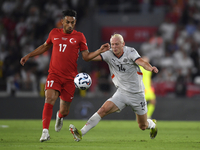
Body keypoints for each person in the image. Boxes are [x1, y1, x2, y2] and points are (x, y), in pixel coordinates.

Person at [20, 9, 110, 142]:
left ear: (75, 22)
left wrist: (99, 51)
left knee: (65, 111)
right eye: (67, 22)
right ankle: (45, 132)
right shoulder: (54, 33)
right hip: (54, 74)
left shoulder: (80, 36)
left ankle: (60, 116)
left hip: (70, 79)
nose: (70, 25)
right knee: (49, 98)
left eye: (72, 23)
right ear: (62, 21)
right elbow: (45, 46)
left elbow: (86, 57)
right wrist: (29, 55)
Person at [69, 33, 159, 142]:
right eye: (112, 44)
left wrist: (150, 68)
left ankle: (152, 125)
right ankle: (81, 133)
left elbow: (142, 62)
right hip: (121, 93)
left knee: (142, 126)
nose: (114, 47)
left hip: (137, 94)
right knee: (103, 110)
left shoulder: (130, 52)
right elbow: (87, 58)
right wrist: (99, 50)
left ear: (123, 44)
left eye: (117, 44)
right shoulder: (108, 54)